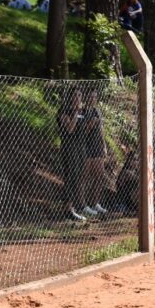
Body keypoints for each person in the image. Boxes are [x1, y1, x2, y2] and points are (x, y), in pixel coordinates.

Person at [58, 88, 89, 221]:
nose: (78, 98)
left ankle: (73, 208)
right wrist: (75, 114)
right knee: (70, 177)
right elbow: (69, 129)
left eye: (80, 95)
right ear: (70, 97)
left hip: (81, 148)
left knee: (77, 178)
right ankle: (68, 209)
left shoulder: (83, 111)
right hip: (69, 148)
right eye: (75, 95)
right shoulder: (64, 110)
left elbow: (85, 130)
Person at [79, 89, 109, 217]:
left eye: (95, 97)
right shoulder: (82, 112)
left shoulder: (97, 111)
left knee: (99, 175)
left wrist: (104, 145)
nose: (92, 99)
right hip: (86, 147)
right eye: (90, 97)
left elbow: (101, 129)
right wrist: (90, 124)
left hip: (97, 147)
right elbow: (82, 132)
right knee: (84, 177)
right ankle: (83, 205)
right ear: (86, 98)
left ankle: (95, 203)